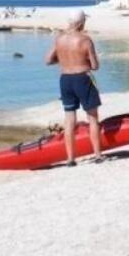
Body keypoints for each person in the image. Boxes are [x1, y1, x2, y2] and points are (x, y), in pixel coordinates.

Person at [45, 11, 102, 165]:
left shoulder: (59, 39)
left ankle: (71, 159)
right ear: (81, 22)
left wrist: (64, 60)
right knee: (92, 118)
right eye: (84, 21)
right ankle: (97, 155)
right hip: (82, 78)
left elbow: (48, 60)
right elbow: (95, 66)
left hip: (65, 80)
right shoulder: (85, 40)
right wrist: (82, 61)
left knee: (69, 119)